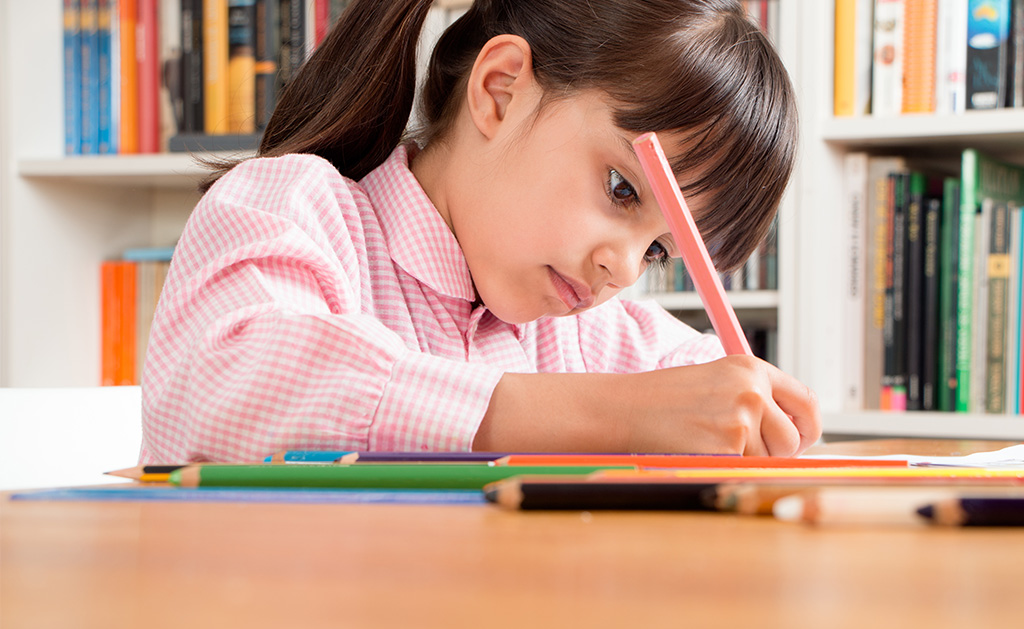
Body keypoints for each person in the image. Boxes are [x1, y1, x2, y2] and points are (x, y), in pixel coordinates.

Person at [140, 0, 821, 464]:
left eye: (659, 249)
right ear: (500, 91)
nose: (624, 268)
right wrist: (608, 416)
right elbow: (231, 391)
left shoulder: (585, 335)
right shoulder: (292, 207)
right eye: (621, 190)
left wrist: (749, 414)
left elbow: (702, 383)